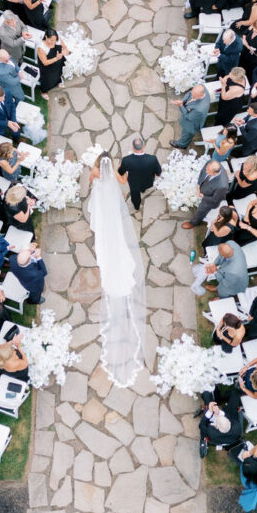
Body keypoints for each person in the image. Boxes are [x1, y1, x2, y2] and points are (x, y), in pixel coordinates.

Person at [88, 154, 147, 387]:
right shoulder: (112, 174)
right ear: (110, 165)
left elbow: (92, 177)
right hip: (110, 203)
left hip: (100, 201)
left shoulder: (95, 173)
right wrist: (125, 175)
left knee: (101, 222)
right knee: (113, 228)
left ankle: (100, 231)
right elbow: (122, 183)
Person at [117, 137, 162, 211]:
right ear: (143, 147)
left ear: (133, 148)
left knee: (135, 197)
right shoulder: (153, 159)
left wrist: (120, 166)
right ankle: (143, 190)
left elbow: (120, 172)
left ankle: (137, 206)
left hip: (134, 184)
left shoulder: (126, 160)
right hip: (148, 182)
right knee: (143, 187)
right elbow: (158, 173)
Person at [198, 391, 242, 456]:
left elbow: (202, 425)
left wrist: (210, 411)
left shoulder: (211, 431)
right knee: (235, 394)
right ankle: (219, 399)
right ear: (229, 422)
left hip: (218, 437)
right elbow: (231, 417)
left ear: (217, 427)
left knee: (206, 395)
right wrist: (220, 413)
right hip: (231, 437)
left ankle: (207, 393)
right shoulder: (237, 427)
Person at [170, 83, 210, 149]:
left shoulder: (200, 109)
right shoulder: (202, 87)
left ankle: (182, 145)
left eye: (194, 96)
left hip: (192, 123)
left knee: (186, 134)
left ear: (201, 96)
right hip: (197, 115)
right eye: (192, 93)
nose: (192, 96)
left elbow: (188, 117)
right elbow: (189, 93)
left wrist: (181, 105)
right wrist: (183, 101)